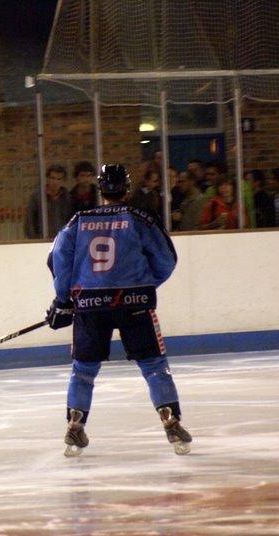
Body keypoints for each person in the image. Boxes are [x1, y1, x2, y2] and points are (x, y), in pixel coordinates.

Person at [46, 164, 192, 457]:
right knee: (154, 367)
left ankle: (75, 424)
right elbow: (166, 260)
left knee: (83, 372)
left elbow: (58, 260)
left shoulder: (78, 220)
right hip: (135, 303)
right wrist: (142, 286)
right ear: (126, 189)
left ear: (101, 190)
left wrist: (63, 301)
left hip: (89, 304)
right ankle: (170, 419)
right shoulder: (141, 218)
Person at [24, 164, 73, 239]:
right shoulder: (37, 197)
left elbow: (71, 221)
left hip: (62, 241)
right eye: (52, 178)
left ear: (63, 181)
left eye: (59, 179)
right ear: (47, 179)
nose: (55, 182)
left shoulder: (68, 198)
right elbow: (30, 221)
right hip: (41, 241)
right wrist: (34, 240)